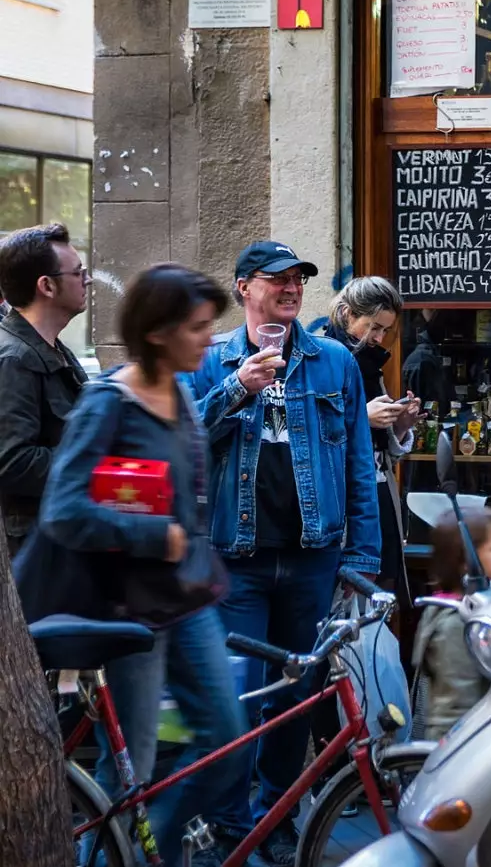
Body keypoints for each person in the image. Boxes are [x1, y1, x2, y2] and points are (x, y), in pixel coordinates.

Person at [34, 264, 243, 867]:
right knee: (134, 768)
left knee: (227, 742)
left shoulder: (180, 388)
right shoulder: (109, 403)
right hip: (129, 616)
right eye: (199, 328)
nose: (210, 339)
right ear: (158, 332)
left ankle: (154, 844)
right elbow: (63, 509)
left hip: (189, 602)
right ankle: (124, 855)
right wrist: (158, 535)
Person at [186, 240, 380, 865]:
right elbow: (185, 444)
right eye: (277, 280)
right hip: (234, 559)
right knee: (238, 699)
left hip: (310, 558)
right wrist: (236, 388)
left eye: (299, 280)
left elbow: (358, 462)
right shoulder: (211, 360)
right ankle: (232, 824)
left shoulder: (333, 363)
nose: (292, 289)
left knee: (294, 701)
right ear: (244, 287)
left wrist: (363, 558)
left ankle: (278, 816)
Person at [326, 276, 422, 595]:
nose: (378, 338)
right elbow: (310, 434)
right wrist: (363, 417)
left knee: (383, 591)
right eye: (373, 327)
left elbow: (380, 449)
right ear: (347, 314)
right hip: (345, 498)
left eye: (384, 330)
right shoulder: (324, 358)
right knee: (350, 598)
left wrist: (400, 423)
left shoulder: (370, 364)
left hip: (378, 491)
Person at [0, 223, 89, 547]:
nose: (87, 279)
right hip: (37, 551)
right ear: (47, 286)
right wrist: (93, 462)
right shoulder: (13, 359)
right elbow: (13, 462)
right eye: (78, 272)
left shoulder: (50, 346)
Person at [413, 508, 491, 741]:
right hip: (462, 747)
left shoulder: (487, 599)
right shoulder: (455, 624)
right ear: (466, 562)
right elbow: (456, 709)